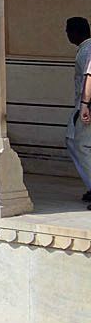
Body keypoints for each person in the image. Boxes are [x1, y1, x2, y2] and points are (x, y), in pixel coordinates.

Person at [67, 16, 91, 207]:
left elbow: (88, 80)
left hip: (85, 107)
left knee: (79, 145)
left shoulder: (86, 52)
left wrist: (84, 105)